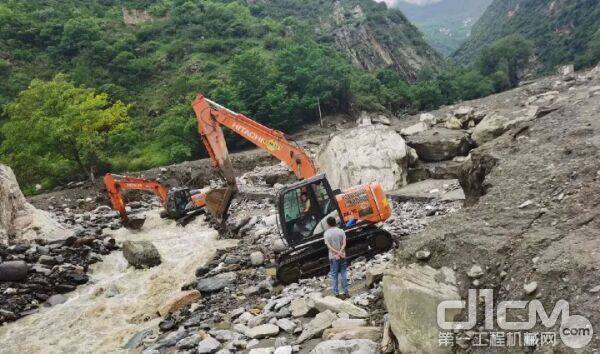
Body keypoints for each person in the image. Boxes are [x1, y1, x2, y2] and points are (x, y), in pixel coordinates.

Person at [323, 216, 349, 298]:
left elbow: (329, 247)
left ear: (328, 224)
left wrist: (337, 253)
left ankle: (336, 294)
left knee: (334, 275)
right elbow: (344, 243)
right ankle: (346, 292)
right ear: (335, 222)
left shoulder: (326, 233)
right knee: (344, 273)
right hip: (342, 255)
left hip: (333, 257)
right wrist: (340, 253)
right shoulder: (341, 231)